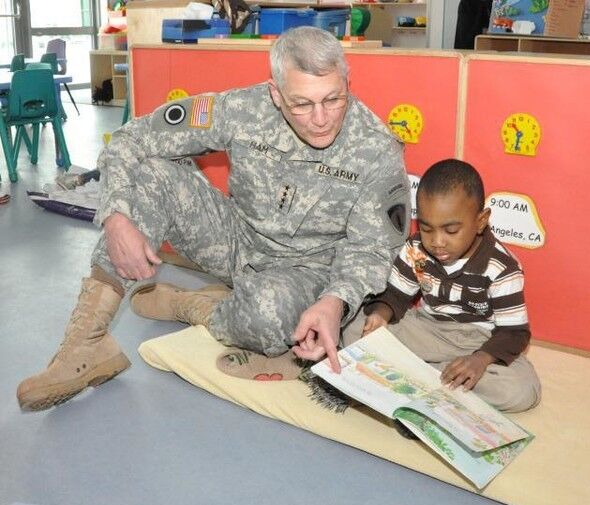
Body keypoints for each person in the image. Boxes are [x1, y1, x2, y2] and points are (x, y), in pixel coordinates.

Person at [17, 26, 410, 411]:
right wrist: (117, 215)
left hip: (309, 274)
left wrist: (335, 301)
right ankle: (86, 345)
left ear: (347, 81)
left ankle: (197, 308)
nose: (321, 118)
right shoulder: (242, 109)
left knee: (268, 314)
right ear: (275, 93)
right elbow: (132, 138)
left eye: (334, 99)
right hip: (237, 240)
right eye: (302, 104)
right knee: (154, 173)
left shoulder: (376, 148)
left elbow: (371, 249)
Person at [343, 159, 541, 413]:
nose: (437, 242)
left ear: (480, 221)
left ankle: (423, 374)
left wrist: (480, 360)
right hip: (427, 329)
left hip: (478, 341)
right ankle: (437, 377)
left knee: (522, 390)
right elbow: (396, 294)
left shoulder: (501, 268)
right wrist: (382, 313)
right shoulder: (417, 250)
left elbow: (515, 334)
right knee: (353, 327)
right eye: (426, 229)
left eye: (451, 230)